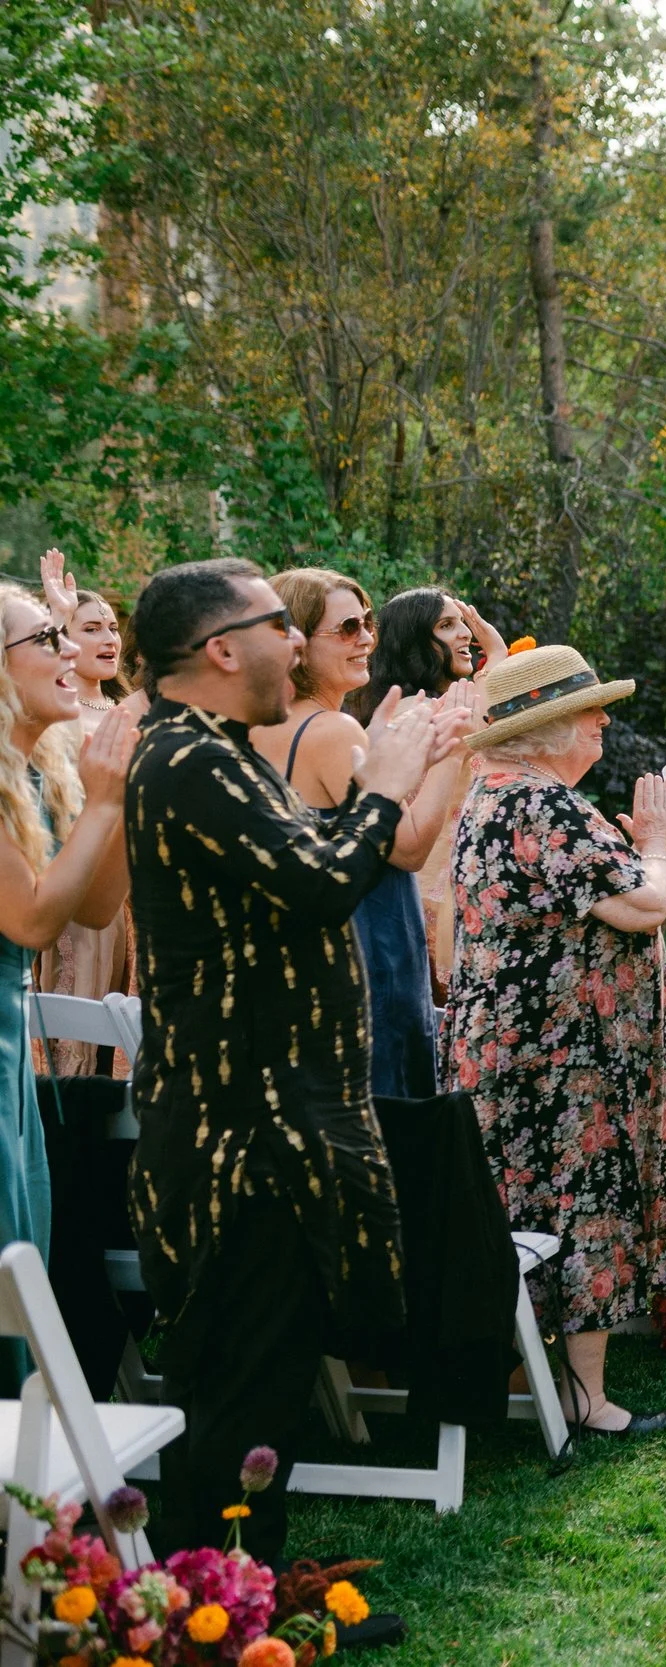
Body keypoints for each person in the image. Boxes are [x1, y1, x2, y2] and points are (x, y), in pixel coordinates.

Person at [123, 557, 459, 1563]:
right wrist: (384, 785)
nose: (299, 641)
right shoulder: (186, 759)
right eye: (282, 624)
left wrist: (397, 777)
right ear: (222, 649)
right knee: (243, 1382)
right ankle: (225, 1602)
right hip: (242, 1141)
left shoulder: (218, 752)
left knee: (261, 1380)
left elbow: (305, 862)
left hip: (268, 1125)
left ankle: (247, 1591)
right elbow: (321, 884)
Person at [441, 644, 666, 1439]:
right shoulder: (543, 804)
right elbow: (643, 905)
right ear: (550, 727)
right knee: (582, 1200)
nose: (603, 722)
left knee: (526, 1202)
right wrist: (656, 842)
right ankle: (586, 1398)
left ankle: (533, 1378)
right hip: (561, 1056)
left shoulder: (496, 794)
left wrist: (636, 849)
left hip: (510, 1046)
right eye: (591, 710)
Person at [250, 571, 475, 1099]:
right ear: (295, 643)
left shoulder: (258, 726)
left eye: (368, 623)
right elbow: (409, 848)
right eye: (348, 628)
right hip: (367, 951)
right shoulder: (332, 731)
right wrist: (454, 749)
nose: (367, 639)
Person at [0, 581, 136, 1280]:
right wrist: (103, 803)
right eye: (48, 638)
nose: (72, 651)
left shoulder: (40, 771)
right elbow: (32, 919)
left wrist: (122, 793)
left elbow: (98, 905)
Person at [356, 587, 510, 989]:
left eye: (463, 623)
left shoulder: (437, 703)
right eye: (446, 625)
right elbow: (490, 716)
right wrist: (496, 654)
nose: (465, 633)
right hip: (434, 898)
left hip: (451, 891)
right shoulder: (419, 710)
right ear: (413, 643)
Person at [35, 551, 134, 1074]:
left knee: (123, 1028)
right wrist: (55, 616)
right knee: (76, 1040)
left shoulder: (129, 711)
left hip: (135, 894)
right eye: (91, 628)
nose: (109, 638)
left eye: (112, 628)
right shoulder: (55, 711)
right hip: (79, 888)